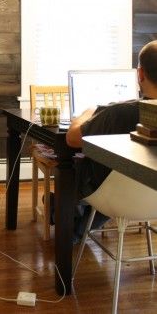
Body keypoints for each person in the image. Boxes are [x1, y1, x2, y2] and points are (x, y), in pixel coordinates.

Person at [65, 40, 157, 241]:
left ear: (140, 74)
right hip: (152, 197)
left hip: (111, 194)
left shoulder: (116, 113)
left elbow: (72, 139)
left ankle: (66, 218)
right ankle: (70, 219)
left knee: (75, 162)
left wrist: (87, 113)